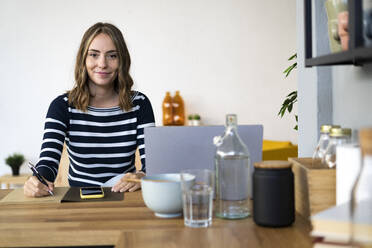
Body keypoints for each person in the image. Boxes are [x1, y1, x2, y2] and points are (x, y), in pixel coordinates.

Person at [24, 22, 155, 197]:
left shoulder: (140, 104)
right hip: (79, 200)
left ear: (122, 60)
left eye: (112, 56)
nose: (102, 64)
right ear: (83, 59)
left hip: (126, 199)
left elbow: (151, 164)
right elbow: (48, 161)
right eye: (94, 55)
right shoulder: (62, 106)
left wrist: (140, 175)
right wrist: (38, 180)